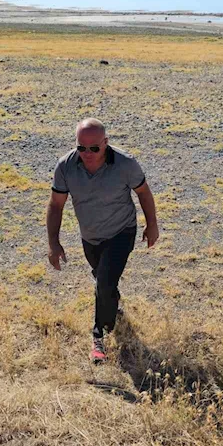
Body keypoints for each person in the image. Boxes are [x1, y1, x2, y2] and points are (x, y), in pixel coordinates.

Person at [47, 118, 159, 362]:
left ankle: (99, 338)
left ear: (105, 143)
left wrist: (152, 224)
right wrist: (53, 243)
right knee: (103, 280)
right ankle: (111, 305)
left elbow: (143, 192)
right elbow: (56, 205)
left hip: (122, 231)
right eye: (81, 148)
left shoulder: (125, 164)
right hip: (90, 237)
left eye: (94, 148)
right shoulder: (65, 166)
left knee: (104, 283)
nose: (87, 154)